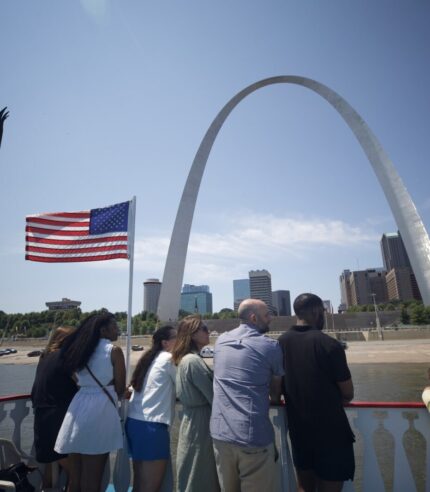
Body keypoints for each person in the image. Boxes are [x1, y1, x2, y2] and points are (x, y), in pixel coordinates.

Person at [278, 293, 355, 492]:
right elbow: (348, 392)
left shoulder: (280, 343)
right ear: (315, 311)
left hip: (299, 432)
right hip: (332, 434)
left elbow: (277, 386)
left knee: (304, 486)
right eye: (322, 311)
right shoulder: (329, 344)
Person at [210, 299, 284, 492]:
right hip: (252, 437)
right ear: (253, 318)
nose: (270, 319)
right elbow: (275, 389)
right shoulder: (270, 346)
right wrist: (275, 399)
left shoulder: (221, 340)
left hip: (220, 435)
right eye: (267, 315)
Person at [54, 312, 126, 492]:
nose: (118, 329)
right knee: (93, 479)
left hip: (78, 408)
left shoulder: (80, 351)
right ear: (103, 330)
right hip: (99, 411)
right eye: (114, 325)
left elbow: (76, 378)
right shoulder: (114, 351)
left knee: (75, 479)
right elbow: (120, 388)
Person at [171, 315, 220, 492]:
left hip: (192, 422)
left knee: (193, 468)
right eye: (204, 328)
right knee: (199, 472)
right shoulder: (193, 361)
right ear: (192, 335)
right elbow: (214, 396)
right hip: (200, 424)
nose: (208, 331)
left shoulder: (187, 359)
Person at [126, 325, 177, 492]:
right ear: (165, 343)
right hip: (152, 426)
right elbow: (185, 386)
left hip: (134, 422)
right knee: (150, 487)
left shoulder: (149, 359)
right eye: (177, 338)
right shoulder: (169, 359)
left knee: (139, 482)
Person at [31, 326, 79, 491]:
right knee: (75, 473)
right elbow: (81, 382)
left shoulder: (45, 357)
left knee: (52, 467)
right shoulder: (66, 358)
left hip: (42, 414)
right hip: (57, 415)